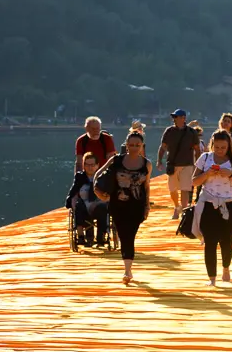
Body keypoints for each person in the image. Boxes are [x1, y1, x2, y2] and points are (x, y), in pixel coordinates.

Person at [191, 129, 232, 286]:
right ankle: (212, 278)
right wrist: (207, 174)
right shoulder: (205, 158)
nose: (220, 151)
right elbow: (194, 181)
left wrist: (229, 174)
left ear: (229, 146)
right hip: (208, 203)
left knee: (226, 240)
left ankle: (226, 268)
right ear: (212, 145)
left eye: (223, 147)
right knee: (210, 241)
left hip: (228, 204)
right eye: (217, 147)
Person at [94, 131, 151, 285]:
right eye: (131, 145)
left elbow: (146, 186)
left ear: (142, 146)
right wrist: (97, 190)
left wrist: (147, 205)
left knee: (129, 234)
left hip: (137, 204)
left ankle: (127, 267)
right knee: (124, 234)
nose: (134, 148)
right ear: (126, 145)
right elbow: (98, 174)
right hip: (118, 203)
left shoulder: (146, 164)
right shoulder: (116, 160)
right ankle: (127, 269)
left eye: (137, 145)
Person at [158, 109, 201, 219]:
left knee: (185, 189)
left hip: (187, 164)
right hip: (172, 164)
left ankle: (184, 211)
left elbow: (197, 149)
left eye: (176, 117)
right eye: (174, 117)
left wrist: (198, 164)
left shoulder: (191, 132)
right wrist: (159, 161)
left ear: (183, 118)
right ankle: (177, 206)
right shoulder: (169, 131)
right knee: (172, 189)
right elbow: (163, 147)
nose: (174, 119)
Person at [65, 152, 108, 247]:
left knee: (103, 207)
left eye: (92, 165)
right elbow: (73, 191)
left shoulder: (103, 177)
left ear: (97, 165)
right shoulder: (80, 177)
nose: (90, 167)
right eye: (87, 165)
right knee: (78, 205)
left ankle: (101, 236)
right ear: (84, 165)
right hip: (84, 205)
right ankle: (80, 235)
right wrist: (70, 201)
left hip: (98, 204)